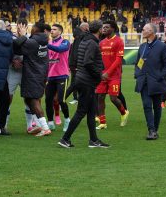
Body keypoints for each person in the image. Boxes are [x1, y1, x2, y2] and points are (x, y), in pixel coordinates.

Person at [58, 20, 110, 148]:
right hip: (87, 82)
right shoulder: (92, 43)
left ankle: (93, 140)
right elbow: (88, 62)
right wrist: (100, 74)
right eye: (102, 28)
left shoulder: (85, 40)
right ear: (99, 30)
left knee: (92, 112)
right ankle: (65, 139)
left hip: (82, 79)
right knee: (81, 111)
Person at [134, 23, 166, 140]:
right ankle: (151, 130)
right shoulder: (142, 46)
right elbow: (138, 63)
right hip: (143, 81)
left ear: (151, 31)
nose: (142, 31)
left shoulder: (162, 46)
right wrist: (137, 73)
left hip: (156, 82)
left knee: (157, 106)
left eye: (144, 29)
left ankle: (155, 129)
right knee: (146, 105)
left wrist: (160, 76)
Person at [15, 22, 51, 137]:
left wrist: (22, 35)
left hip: (33, 75)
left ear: (36, 29)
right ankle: (38, 125)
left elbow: (17, 48)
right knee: (28, 100)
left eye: (32, 27)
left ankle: (45, 128)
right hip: (39, 74)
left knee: (34, 101)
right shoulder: (42, 41)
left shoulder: (32, 42)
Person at [96, 20, 129, 129]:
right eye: (103, 27)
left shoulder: (119, 41)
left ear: (113, 28)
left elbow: (118, 60)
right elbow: (99, 59)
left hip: (114, 75)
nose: (104, 29)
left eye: (106, 27)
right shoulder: (101, 43)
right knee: (100, 97)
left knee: (113, 98)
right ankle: (103, 122)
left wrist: (108, 72)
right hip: (102, 75)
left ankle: (124, 113)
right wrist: (100, 72)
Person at [45, 24, 71, 132]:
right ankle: (50, 122)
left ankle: (67, 120)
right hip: (50, 76)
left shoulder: (65, 42)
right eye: (51, 29)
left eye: (54, 29)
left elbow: (60, 49)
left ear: (60, 32)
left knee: (61, 100)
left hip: (62, 76)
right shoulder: (49, 43)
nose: (52, 31)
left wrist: (46, 45)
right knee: (48, 100)